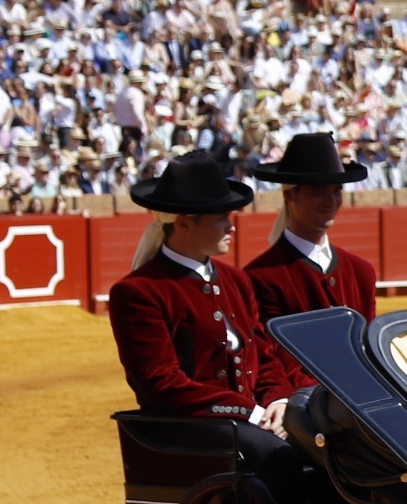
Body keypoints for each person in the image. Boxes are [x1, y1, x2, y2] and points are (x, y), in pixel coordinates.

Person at [107, 150, 300, 479]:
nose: (231, 226)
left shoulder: (236, 280)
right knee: (280, 456)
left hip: (246, 421)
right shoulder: (139, 291)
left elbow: (264, 359)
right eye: (221, 217)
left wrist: (278, 402)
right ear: (184, 223)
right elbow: (161, 383)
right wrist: (248, 411)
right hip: (188, 427)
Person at [244, 131, 378, 328]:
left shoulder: (361, 272)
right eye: (318, 192)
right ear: (289, 195)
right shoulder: (260, 278)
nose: (331, 201)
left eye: (336, 191)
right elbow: (273, 354)